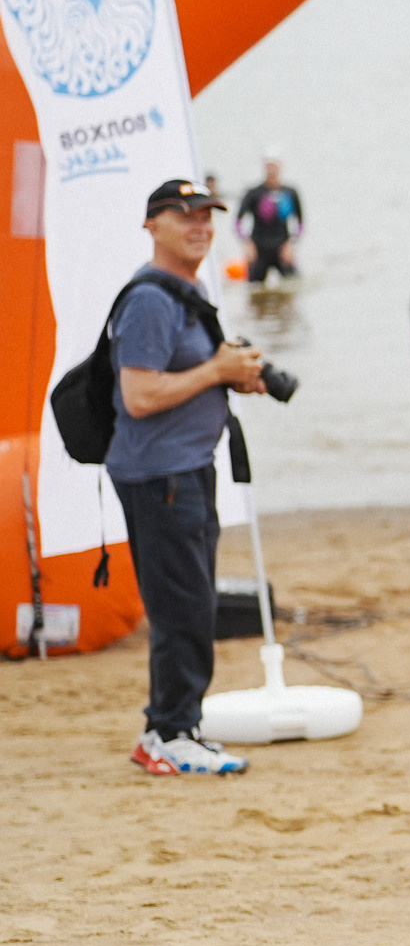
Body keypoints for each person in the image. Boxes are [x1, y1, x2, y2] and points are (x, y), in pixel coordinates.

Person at [113, 179, 266, 776]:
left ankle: (175, 728)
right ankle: (168, 734)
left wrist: (233, 373)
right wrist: (215, 371)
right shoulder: (151, 298)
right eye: (185, 216)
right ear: (153, 225)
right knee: (182, 610)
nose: (200, 227)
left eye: (208, 217)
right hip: (160, 476)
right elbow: (140, 394)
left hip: (189, 470)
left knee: (193, 605)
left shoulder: (189, 290)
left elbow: (188, 373)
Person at [236, 150, 304, 282]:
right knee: (254, 290)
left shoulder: (290, 192)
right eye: (269, 166)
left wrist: (292, 244)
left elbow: (301, 222)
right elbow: (238, 222)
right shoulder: (254, 193)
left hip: (282, 248)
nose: (272, 170)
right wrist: (247, 244)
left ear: (281, 167)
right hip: (259, 249)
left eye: (275, 166)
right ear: (264, 167)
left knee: (294, 286)